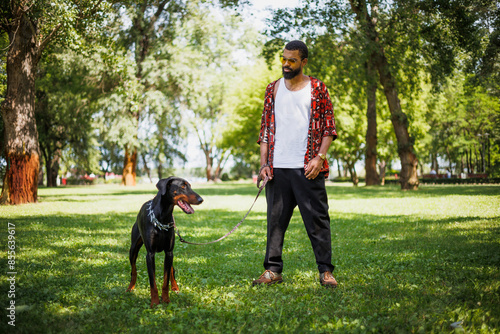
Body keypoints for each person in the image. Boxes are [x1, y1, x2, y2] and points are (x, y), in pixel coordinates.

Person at [253, 40, 338, 288]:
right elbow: (265, 130)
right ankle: (272, 271)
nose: (286, 64)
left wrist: (318, 158)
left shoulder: (318, 89)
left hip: (308, 169)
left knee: (318, 222)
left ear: (303, 61)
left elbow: (329, 129)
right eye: (284, 59)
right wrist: (264, 164)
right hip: (277, 169)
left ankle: (326, 272)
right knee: (275, 223)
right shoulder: (272, 89)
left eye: (292, 60)